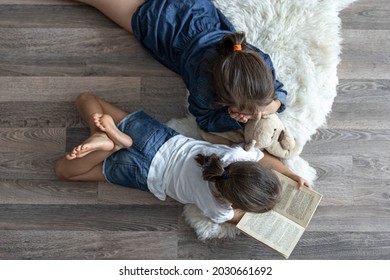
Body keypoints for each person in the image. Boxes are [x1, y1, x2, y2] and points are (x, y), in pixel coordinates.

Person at [55, 93, 311, 224]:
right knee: (64, 171)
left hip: (155, 137)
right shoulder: (219, 209)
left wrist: (291, 174)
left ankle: (102, 132)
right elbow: (238, 219)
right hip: (143, 172)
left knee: (87, 99)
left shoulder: (234, 155)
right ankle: (107, 148)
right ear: (234, 202)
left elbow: (264, 158)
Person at [74, 0, 287, 133]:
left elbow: (280, 90)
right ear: (222, 99)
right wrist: (231, 118)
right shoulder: (204, 88)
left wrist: (273, 105)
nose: (254, 117)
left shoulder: (259, 60)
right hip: (161, 26)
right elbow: (205, 121)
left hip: (194, 7)